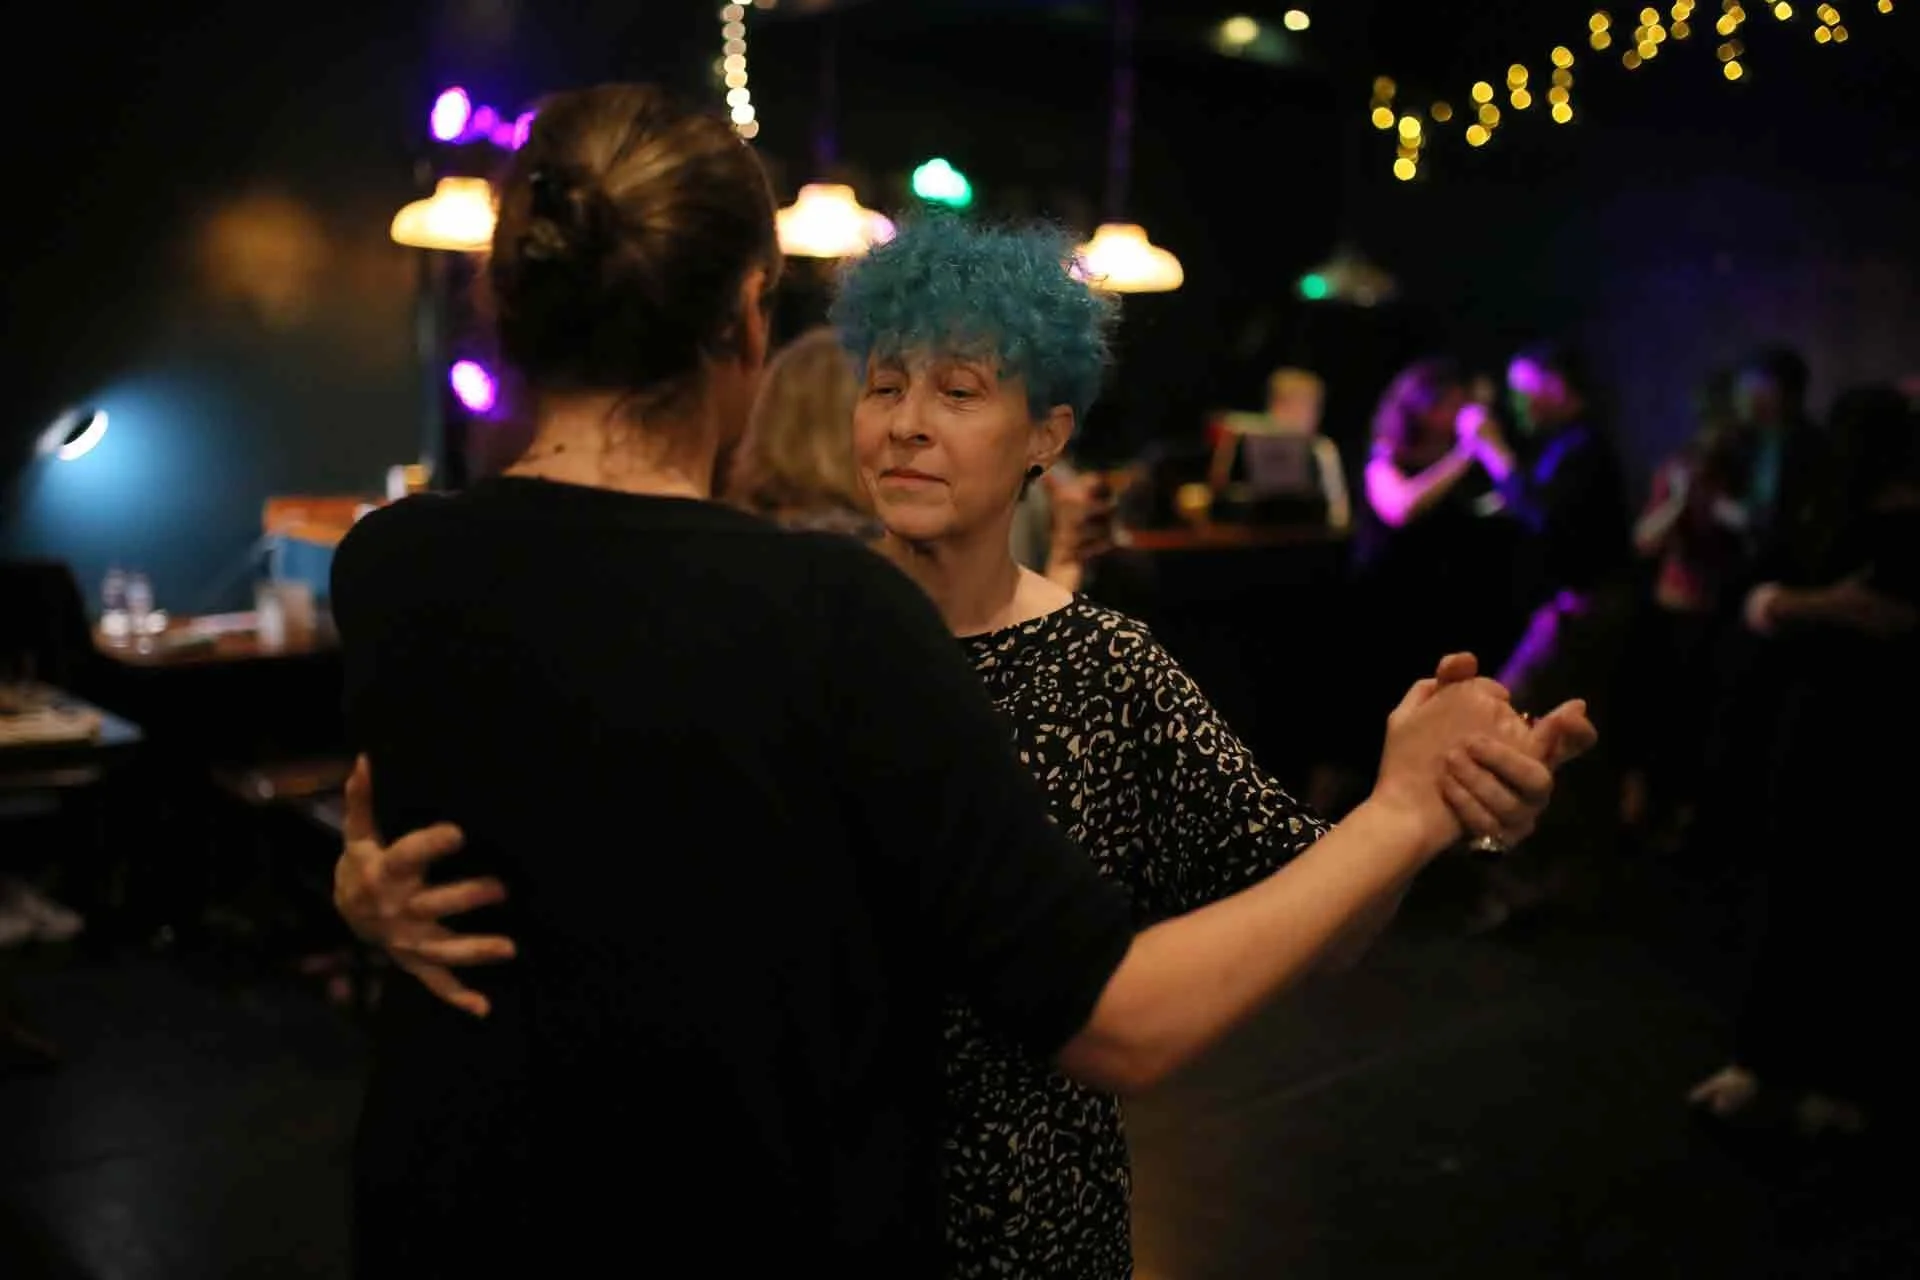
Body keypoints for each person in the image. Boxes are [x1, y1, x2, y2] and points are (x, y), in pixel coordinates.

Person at [336, 195, 1595, 1279]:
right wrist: (375, 883)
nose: (907, 422)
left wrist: (1432, 806)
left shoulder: (1109, 670)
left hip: (1027, 1221)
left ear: (1046, 433)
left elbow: (1316, 911)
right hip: (786, 1201)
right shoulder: (783, 620)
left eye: (959, 390)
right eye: (885, 384)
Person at [1458, 341, 1632, 926]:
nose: (1517, 402)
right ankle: (1540, 882)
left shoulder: (1584, 448)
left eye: (1524, 389)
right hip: (1571, 610)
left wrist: (1491, 447)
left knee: (1520, 732)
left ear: (1556, 384)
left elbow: (1546, 514)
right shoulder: (1567, 444)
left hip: (1579, 612)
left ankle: (1520, 883)